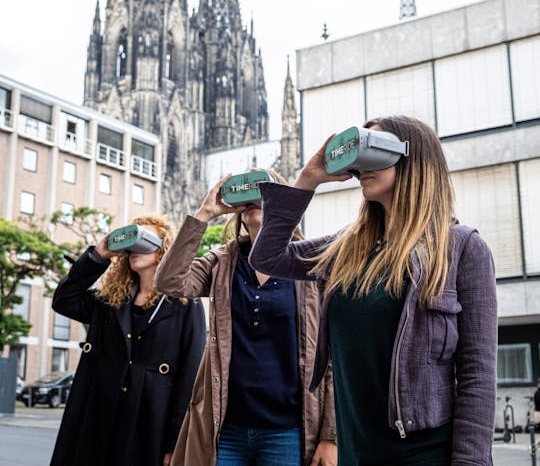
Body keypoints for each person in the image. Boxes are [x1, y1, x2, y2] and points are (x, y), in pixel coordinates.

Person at [249, 116, 498, 466]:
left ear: (412, 158)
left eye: (374, 152)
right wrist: (308, 178)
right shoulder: (347, 248)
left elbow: (477, 375)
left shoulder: (460, 248)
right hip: (357, 452)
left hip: (422, 454)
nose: (362, 167)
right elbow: (268, 256)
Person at [154, 169, 337, 466]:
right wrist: (205, 213)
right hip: (224, 428)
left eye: (267, 191)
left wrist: (330, 435)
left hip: (287, 430)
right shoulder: (221, 263)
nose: (257, 199)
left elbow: (330, 360)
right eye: (251, 194)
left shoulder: (309, 265)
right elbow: (169, 282)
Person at [50, 215, 206, 466]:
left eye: (146, 240)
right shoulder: (110, 301)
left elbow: (191, 373)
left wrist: (175, 439)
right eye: (133, 242)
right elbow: (65, 300)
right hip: (99, 414)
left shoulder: (185, 303)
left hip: (149, 421)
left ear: (164, 249)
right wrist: (99, 254)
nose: (136, 249)